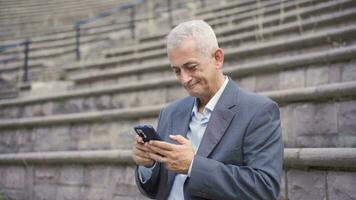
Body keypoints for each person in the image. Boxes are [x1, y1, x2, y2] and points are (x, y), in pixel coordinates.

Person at [132, 20, 283, 200]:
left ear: (217, 58)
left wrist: (193, 166)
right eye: (177, 71)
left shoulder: (259, 111)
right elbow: (157, 189)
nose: (184, 79)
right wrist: (148, 165)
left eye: (191, 67)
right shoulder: (170, 112)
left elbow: (264, 188)